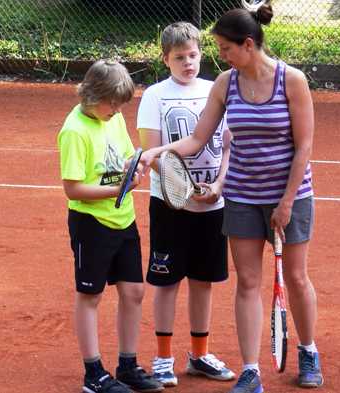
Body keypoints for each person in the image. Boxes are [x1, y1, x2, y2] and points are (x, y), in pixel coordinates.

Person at [140, 3, 323, 391]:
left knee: (295, 276)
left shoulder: (292, 81)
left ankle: (308, 351)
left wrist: (287, 202)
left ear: (249, 44)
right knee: (248, 282)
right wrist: (157, 153)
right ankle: (251, 369)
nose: (220, 57)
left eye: (225, 49)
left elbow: (304, 146)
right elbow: (197, 139)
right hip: (241, 195)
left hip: (290, 195)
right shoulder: (227, 83)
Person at [137, 21, 235, 388]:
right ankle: (163, 358)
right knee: (166, 282)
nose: (188, 63)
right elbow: (153, 151)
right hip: (171, 205)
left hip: (212, 204)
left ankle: (199, 354)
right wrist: (184, 188)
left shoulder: (215, 90)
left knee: (203, 280)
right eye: (180, 58)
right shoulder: (154, 96)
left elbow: (227, 145)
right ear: (166, 59)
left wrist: (218, 185)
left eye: (193, 55)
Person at [57, 60, 163, 393]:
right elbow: (73, 189)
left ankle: (127, 366)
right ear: (91, 95)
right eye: (112, 103)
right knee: (90, 295)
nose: (117, 110)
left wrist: (136, 165)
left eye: (121, 104)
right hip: (92, 223)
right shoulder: (74, 131)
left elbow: (128, 155)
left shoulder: (112, 118)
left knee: (134, 292)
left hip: (124, 219)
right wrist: (116, 190)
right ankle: (94, 374)